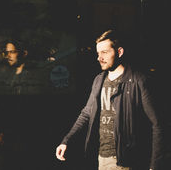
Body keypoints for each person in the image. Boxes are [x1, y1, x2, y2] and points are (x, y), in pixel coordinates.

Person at [55, 29, 164, 170]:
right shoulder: (99, 80)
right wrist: (67, 140)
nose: (99, 58)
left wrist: (154, 165)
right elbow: (86, 113)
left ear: (119, 52)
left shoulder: (138, 81)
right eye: (98, 53)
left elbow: (157, 125)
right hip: (101, 158)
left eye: (104, 52)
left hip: (126, 161)